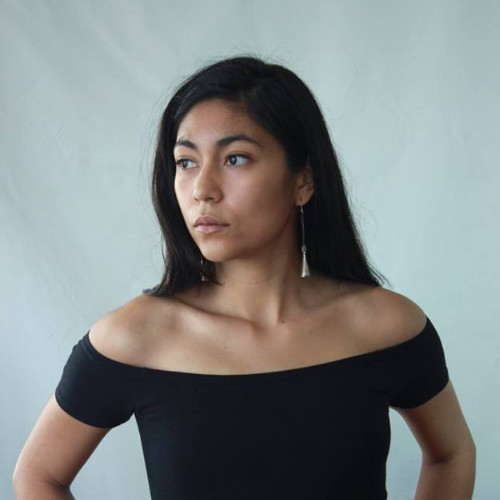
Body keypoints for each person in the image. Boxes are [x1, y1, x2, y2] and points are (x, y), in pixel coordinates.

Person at [13, 55, 476, 499]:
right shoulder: (135, 337)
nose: (202, 189)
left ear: (303, 182)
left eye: (235, 158)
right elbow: (38, 475)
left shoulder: (385, 327)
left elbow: (451, 454)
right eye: (186, 162)